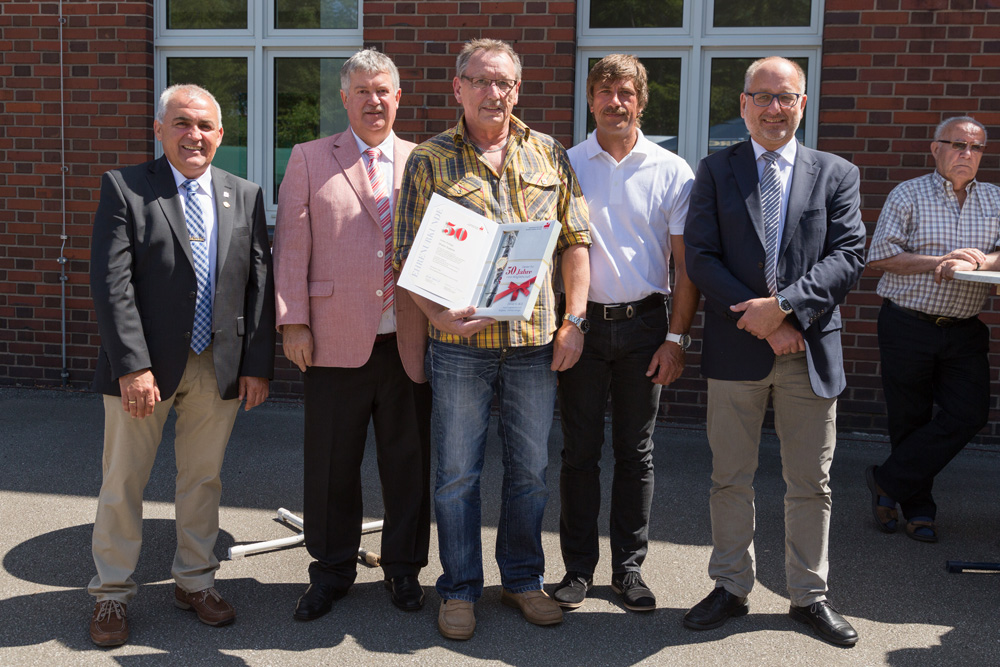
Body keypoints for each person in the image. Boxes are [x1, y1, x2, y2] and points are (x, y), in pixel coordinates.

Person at [393, 38, 591, 641]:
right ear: (458, 88)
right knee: (458, 474)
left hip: (534, 342)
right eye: (480, 80)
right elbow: (407, 257)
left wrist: (575, 320)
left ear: (517, 89)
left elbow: (575, 241)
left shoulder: (549, 153)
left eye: (503, 82)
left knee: (530, 470)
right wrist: (440, 318)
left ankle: (523, 579)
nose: (492, 92)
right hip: (460, 347)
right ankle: (458, 589)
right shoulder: (430, 159)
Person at [682, 57, 865, 646]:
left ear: (802, 104)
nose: (773, 108)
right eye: (761, 96)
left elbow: (847, 256)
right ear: (743, 105)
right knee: (730, 477)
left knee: (811, 481)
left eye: (785, 97)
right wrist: (761, 324)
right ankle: (731, 587)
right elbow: (701, 258)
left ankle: (809, 596)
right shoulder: (715, 169)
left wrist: (784, 309)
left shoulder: (835, 173)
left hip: (809, 349)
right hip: (738, 350)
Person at [88, 83, 275, 647]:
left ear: (221, 134)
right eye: (182, 124)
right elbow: (111, 284)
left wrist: (256, 364)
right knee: (124, 479)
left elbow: (258, 284)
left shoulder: (244, 193)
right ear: (160, 130)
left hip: (216, 364)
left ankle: (195, 580)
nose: (194, 135)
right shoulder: (126, 187)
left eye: (205, 126)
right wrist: (131, 367)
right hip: (143, 368)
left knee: (203, 478)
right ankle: (112, 592)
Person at [272, 48, 432, 621]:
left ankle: (404, 569)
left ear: (398, 97)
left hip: (408, 341)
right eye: (362, 90)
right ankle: (332, 570)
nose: (374, 100)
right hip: (332, 339)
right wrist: (293, 321)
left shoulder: (423, 161)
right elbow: (291, 247)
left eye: (383, 90)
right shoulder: (310, 158)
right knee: (331, 466)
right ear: (344, 98)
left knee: (409, 465)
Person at [552, 54, 698, 613]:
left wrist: (676, 339)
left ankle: (628, 570)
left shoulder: (672, 170)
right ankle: (577, 570)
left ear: (641, 101)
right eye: (605, 91)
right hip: (581, 328)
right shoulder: (565, 164)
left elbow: (685, 267)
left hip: (645, 327)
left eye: (627, 93)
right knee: (579, 453)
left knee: (637, 453)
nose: (616, 102)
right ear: (590, 99)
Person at [866, 116, 1000, 544]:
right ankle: (919, 510)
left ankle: (887, 480)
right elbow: (880, 256)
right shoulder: (909, 193)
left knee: (970, 414)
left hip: (964, 328)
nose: (967, 154)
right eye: (958, 144)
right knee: (910, 417)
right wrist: (940, 261)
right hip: (908, 323)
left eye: (975, 147)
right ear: (936, 149)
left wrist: (978, 261)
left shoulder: (995, 199)